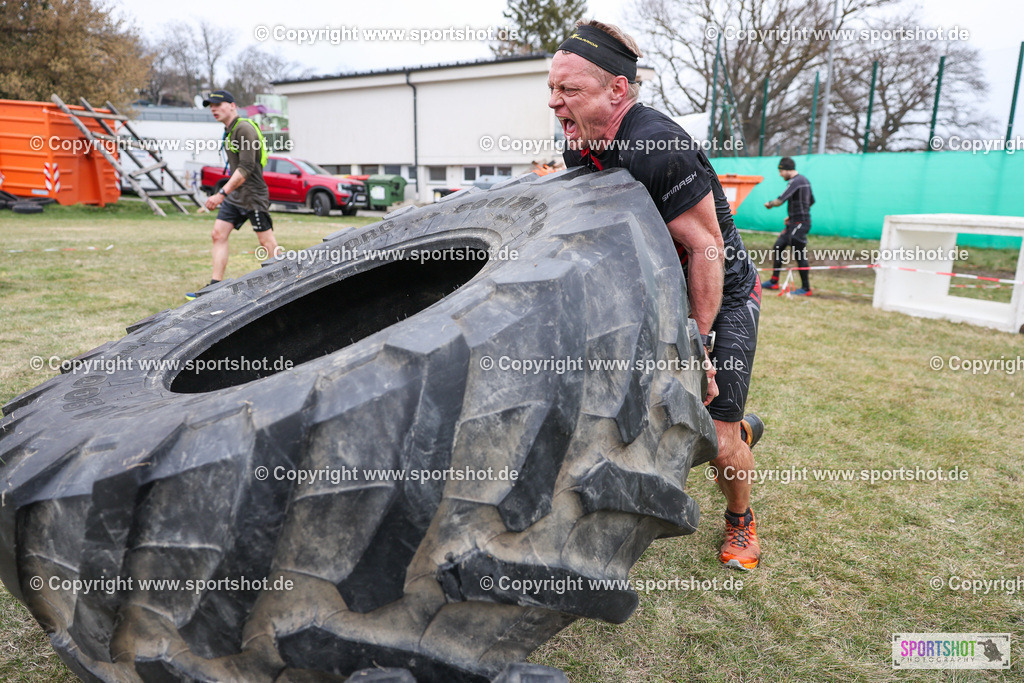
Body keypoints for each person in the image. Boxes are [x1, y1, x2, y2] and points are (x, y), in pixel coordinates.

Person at [549, 20, 763, 570]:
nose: (554, 102)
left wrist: (699, 345)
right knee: (641, 413)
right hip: (658, 297)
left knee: (718, 436)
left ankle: (740, 518)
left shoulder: (656, 145)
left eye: (569, 89)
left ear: (616, 90)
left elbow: (707, 249)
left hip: (724, 297)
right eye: (551, 89)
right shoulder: (581, 149)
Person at [186, 90, 278, 300]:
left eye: (218, 105)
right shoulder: (230, 130)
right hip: (236, 195)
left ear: (232, 106)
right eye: (211, 106)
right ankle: (214, 286)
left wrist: (221, 194)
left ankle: (285, 280)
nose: (213, 109)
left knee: (266, 242)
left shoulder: (243, 128)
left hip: (253, 195)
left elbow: (246, 168)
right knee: (218, 234)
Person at [762, 157, 815, 296]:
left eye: (781, 171)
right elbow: (811, 201)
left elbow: (780, 200)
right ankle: (774, 281)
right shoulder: (804, 180)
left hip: (801, 223)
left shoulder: (796, 181)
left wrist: (769, 204)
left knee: (799, 253)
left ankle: (806, 288)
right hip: (793, 222)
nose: (780, 175)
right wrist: (792, 215)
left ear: (786, 170)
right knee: (778, 246)